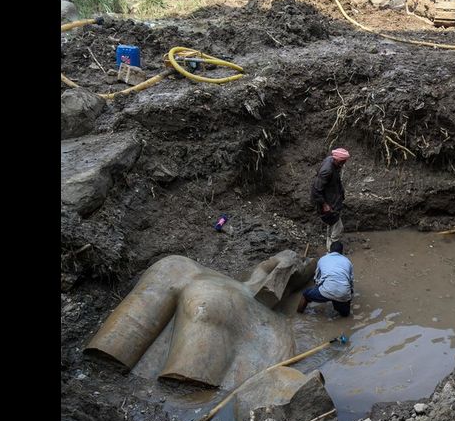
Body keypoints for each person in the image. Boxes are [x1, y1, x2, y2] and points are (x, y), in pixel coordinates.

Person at [85, 251, 306, 389]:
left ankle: (113, 354)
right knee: (202, 301)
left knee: (199, 299)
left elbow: (271, 285)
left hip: (217, 296)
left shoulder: (182, 266)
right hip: (224, 298)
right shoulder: (274, 324)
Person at [298, 241, 354, 318]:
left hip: (326, 291)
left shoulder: (323, 259)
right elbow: (350, 283)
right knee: (345, 315)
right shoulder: (348, 262)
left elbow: (317, 279)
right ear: (341, 251)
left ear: (330, 250)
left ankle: (299, 315)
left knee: (305, 294)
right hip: (343, 293)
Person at [312, 148, 350, 249]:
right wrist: (324, 204)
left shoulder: (332, 161)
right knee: (338, 228)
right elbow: (316, 189)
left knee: (332, 224)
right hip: (329, 203)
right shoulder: (327, 170)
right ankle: (334, 251)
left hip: (333, 199)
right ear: (337, 159)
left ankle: (329, 249)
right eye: (343, 161)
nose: (344, 163)